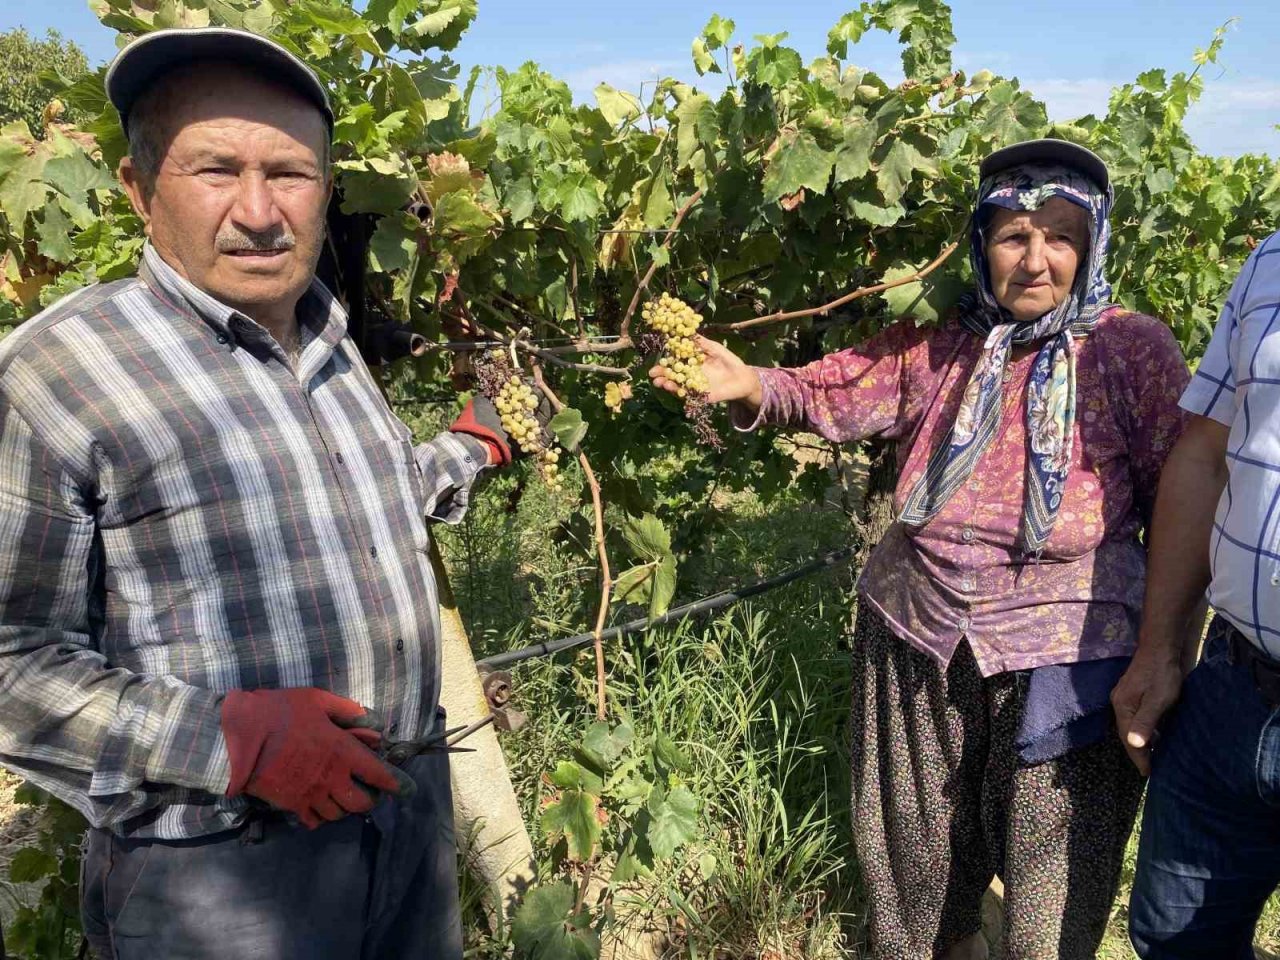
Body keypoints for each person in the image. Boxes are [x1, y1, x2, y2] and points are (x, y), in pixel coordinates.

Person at [0, 27, 518, 960]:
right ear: (137, 188)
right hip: (221, 876)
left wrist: (475, 447)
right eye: (214, 169)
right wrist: (226, 743)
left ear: (325, 192)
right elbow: (9, 661)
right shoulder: (54, 375)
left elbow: (373, 495)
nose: (257, 210)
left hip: (408, 823)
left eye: (289, 173)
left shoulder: (330, 337)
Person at [651, 140, 1191, 959]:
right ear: (981, 243)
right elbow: (830, 387)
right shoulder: (938, 341)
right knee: (916, 869)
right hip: (918, 634)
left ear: (1091, 244)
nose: (1036, 259)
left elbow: (1182, 505)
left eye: (1059, 235)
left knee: (1053, 906)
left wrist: (1164, 652)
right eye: (1013, 234)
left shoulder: (1131, 350)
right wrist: (754, 384)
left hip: (1067, 658)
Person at [1117, 230, 1280, 958]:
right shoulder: (1269, 260)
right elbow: (1205, 455)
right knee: (1175, 942)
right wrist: (1159, 649)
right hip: (1231, 689)